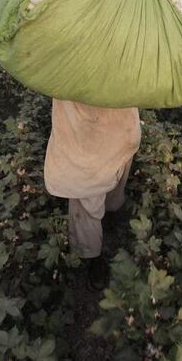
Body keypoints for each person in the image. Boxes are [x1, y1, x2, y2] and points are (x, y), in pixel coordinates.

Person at [44, 99, 140, 289]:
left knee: (108, 177)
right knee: (89, 189)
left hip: (118, 125)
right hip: (90, 127)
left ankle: (109, 216)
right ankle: (93, 254)